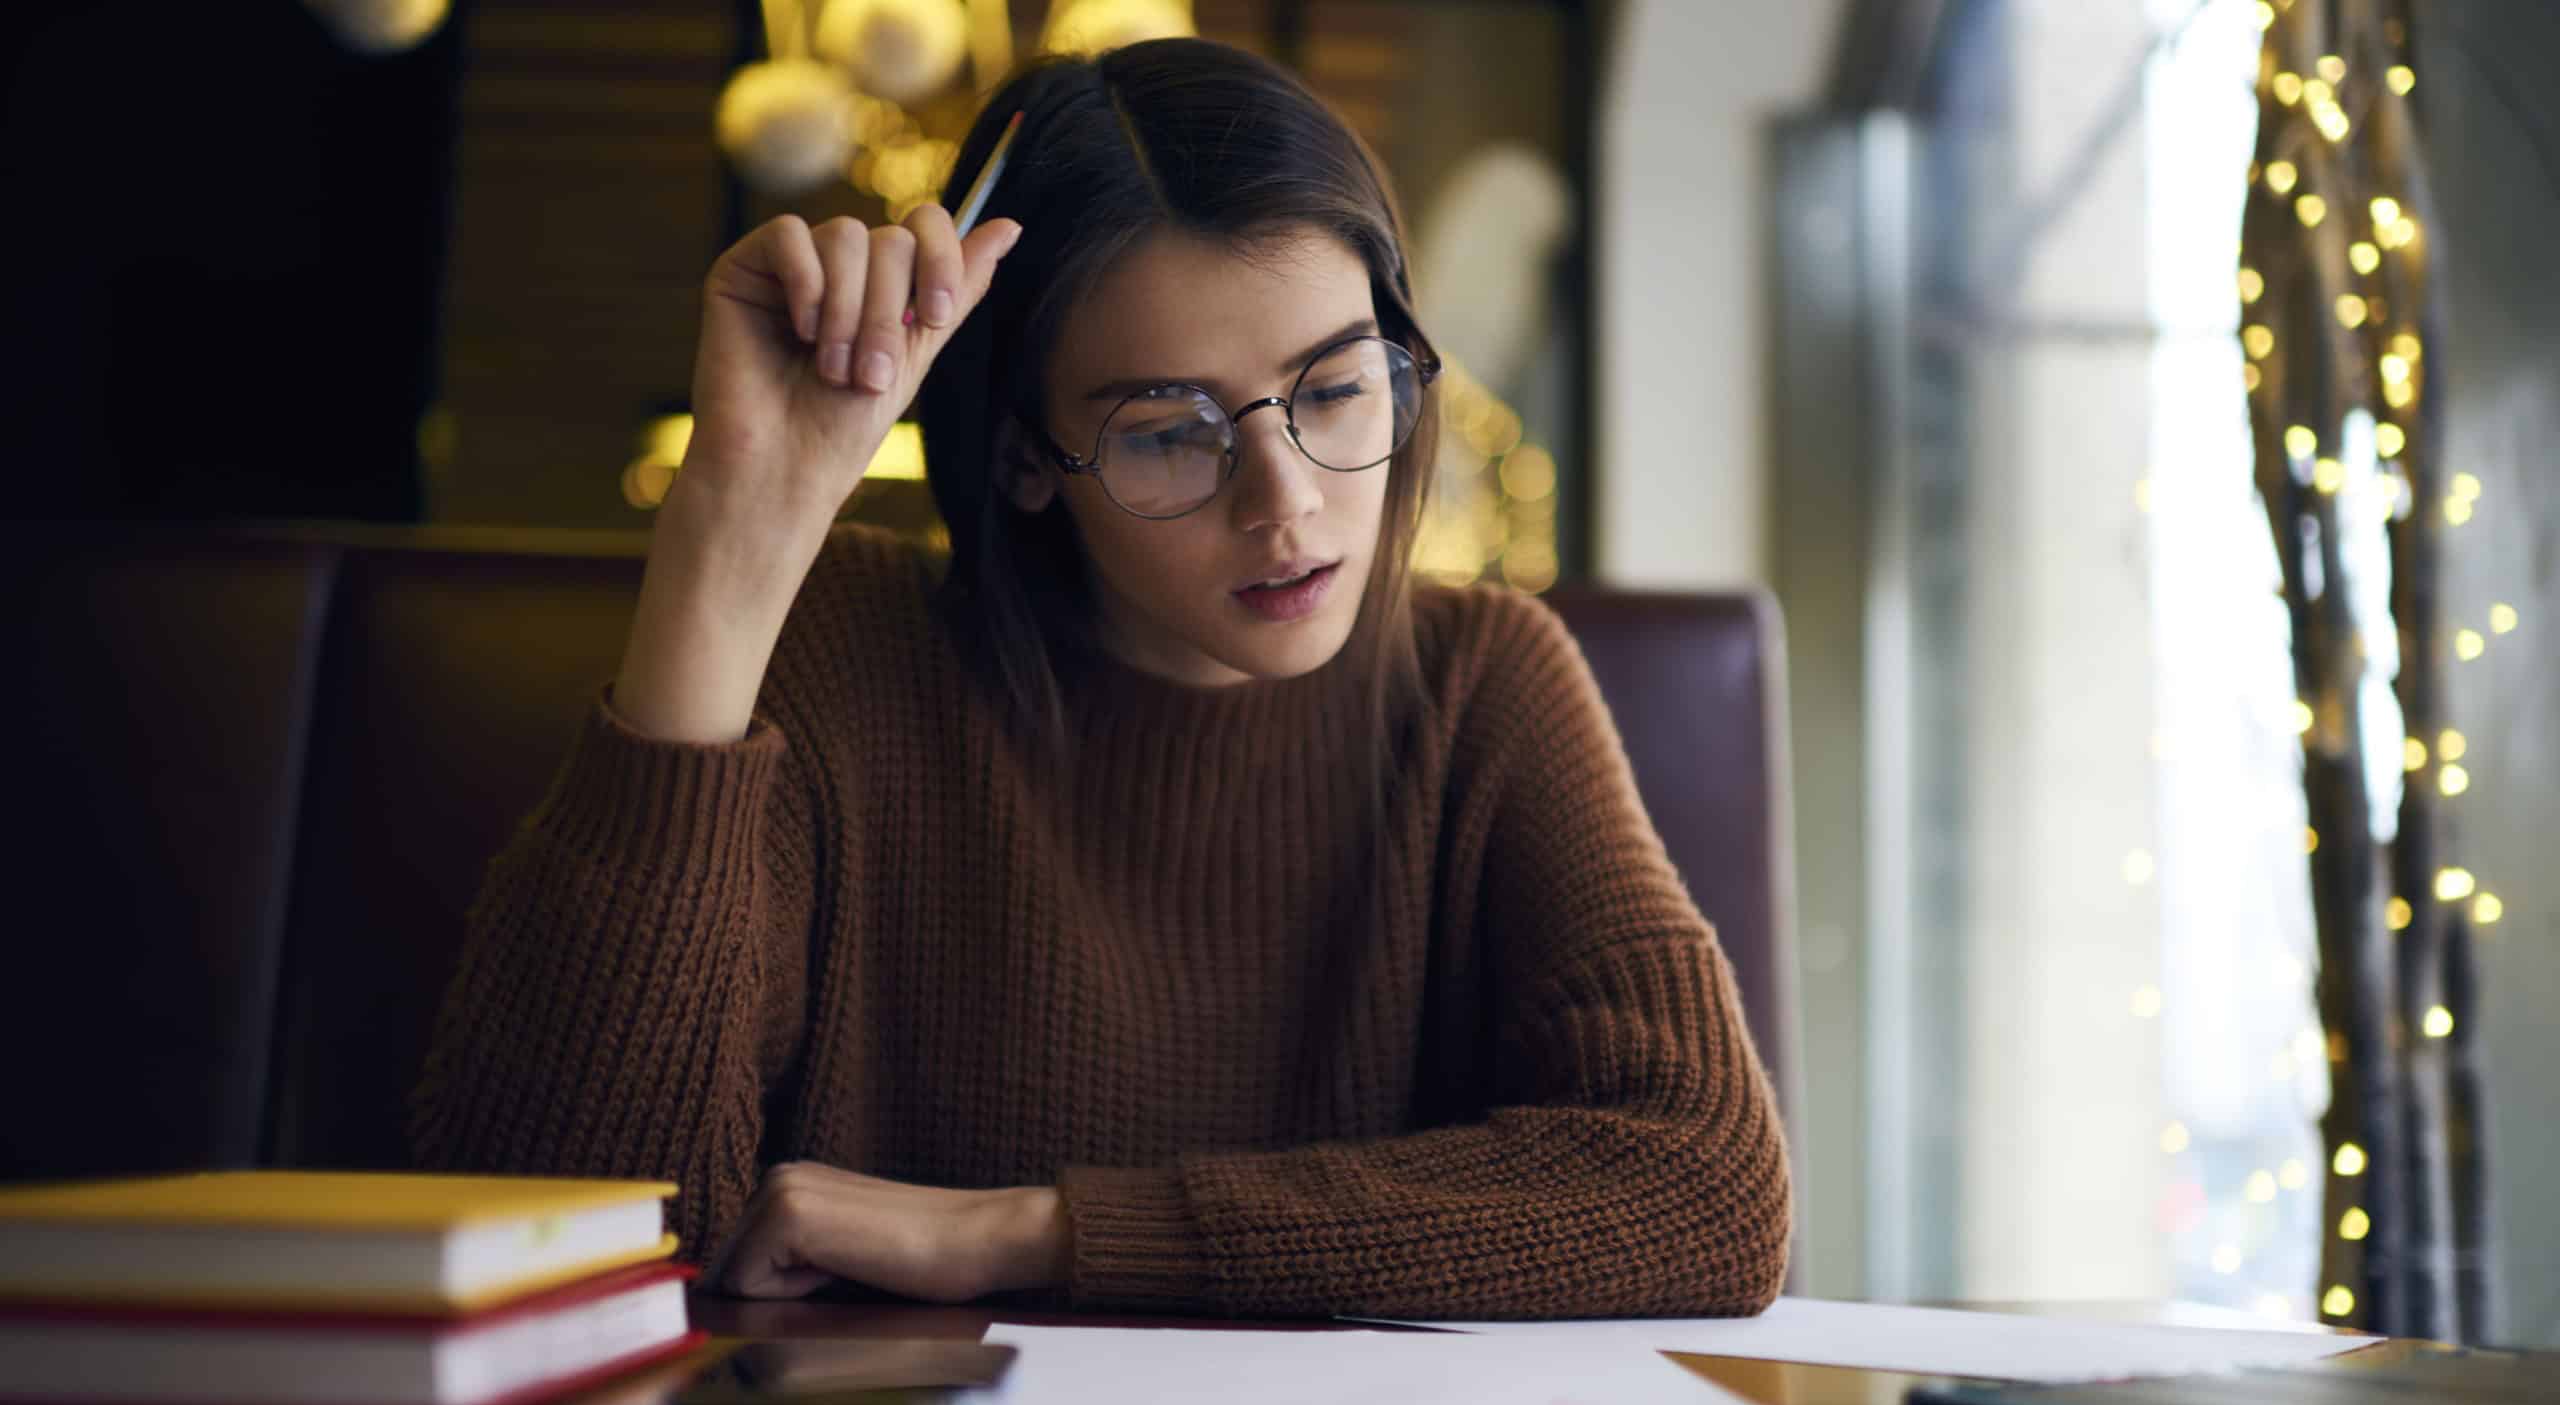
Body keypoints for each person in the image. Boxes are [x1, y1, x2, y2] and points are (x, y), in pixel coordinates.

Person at [409, 36, 1789, 1321]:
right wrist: (733, 526)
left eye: (1333, 389)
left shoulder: (1482, 682)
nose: (1285, 503)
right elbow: (558, 1226)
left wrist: (1035, 1233)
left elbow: (1708, 1189)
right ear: (1024, 457)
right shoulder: (853, 654)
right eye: (1170, 432)